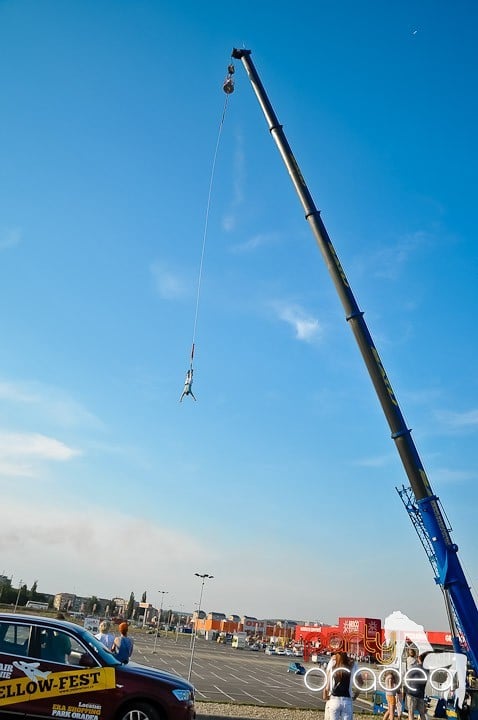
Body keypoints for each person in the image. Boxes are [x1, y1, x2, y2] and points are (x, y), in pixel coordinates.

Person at [323, 650, 359, 720]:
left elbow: (327, 681)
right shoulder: (352, 664)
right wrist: (355, 695)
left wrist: (325, 694)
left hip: (333, 698)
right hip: (347, 699)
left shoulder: (333, 662)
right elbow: (361, 682)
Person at [405, 652, 429, 720]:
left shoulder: (415, 667)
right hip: (421, 694)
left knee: (411, 712)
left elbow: (407, 677)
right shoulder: (427, 669)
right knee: (422, 713)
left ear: (419, 658)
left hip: (412, 693)